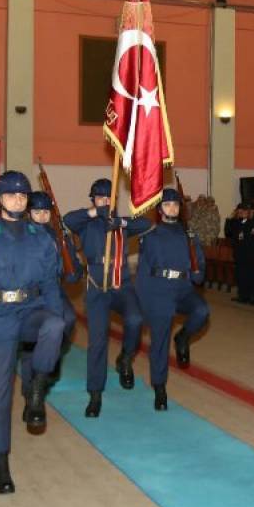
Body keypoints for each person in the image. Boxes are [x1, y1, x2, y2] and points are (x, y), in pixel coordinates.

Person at [0, 171, 65, 494]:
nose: (18, 199)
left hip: (31, 310)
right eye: (11, 194)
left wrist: (55, 320)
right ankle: (0, 462)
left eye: (22, 195)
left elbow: (50, 285)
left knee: (56, 324)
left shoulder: (41, 238)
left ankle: (36, 389)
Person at [63, 179, 149, 418]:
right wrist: (95, 213)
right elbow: (68, 220)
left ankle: (125, 358)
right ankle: (95, 394)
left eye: (108, 198)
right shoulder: (86, 224)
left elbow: (146, 224)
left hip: (122, 285)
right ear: (93, 199)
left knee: (135, 319)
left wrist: (120, 221)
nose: (104, 201)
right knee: (97, 342)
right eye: (100, 198)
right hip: (97, 287)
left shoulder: (121, 225)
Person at [133, 188, 209, 411]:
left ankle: (183, 338)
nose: (172, 208)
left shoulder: (189, 235)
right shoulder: (150, 235)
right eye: (167, 205)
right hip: (159, 291)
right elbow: (144, 270)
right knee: (159, 342)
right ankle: (159, 388)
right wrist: (143, 300)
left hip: (183, 289)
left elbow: (200, 264)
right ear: (159, 209)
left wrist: (199, 273)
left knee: (202, 311)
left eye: (175, 205)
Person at [26, 191, 80, 387]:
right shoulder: (22, 236)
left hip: (54, 291)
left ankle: (54, 355)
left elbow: (72, 267)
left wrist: (74, 270)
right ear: (28, 213)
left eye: (46, 212)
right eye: (37, 211)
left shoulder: (58, 236)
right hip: (29, 293)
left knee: (70, 319)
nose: (42, 216)